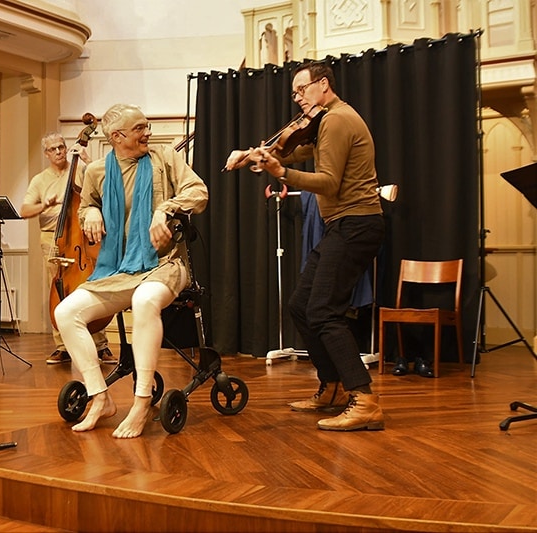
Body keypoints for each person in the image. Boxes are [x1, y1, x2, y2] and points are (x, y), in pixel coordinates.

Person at [225, 62, 386, 431]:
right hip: (343, 225)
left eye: (302, 90)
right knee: (302, 305)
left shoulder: (337, 119)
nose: (297, 98)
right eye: (294, 93)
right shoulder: (327, 121)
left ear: (323, 84)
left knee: (325, 311)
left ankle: (365, 400)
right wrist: (253, 155)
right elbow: (295, 151)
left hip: (356, 223)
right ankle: (333, 387)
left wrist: (279, 173)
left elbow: (328, 183)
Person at [54, 103, 208, 438]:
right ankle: (100, 396)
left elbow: (198, 193)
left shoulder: (165, 158)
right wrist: (91, 212)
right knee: (65, 312)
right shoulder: (97, 171)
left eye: (146, 126)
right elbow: (87, 205)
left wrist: (165, 208)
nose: (147, 133)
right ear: (116, 136)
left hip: (165, 265)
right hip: (119, 269)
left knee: (144, 300)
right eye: (139, 128)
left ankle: (141, 401)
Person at [21, 132, 116, 365]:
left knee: (92, 286)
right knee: (58, 289)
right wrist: (45, 205)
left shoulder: (81, 170)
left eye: (61, 147)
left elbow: (104, 184)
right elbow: (24, 211)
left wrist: (87, 159)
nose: (59, 152)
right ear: (46, 153)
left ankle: (101, 345)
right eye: (53, 149)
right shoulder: (39, 180)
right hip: (53, 239)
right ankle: (62, 347)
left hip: (81, 237)